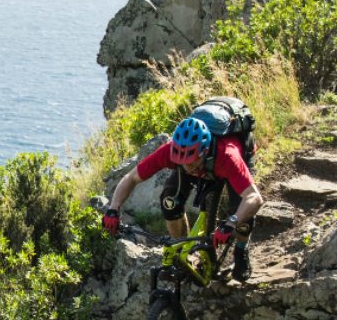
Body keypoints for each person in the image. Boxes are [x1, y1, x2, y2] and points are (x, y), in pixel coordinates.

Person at [102, 116, 264, 281]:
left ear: (204, 151)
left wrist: (232, 222)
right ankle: (181, 248)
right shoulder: (172, 152)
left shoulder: (228, 156)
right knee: (169, 202)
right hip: (204, 165)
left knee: (243, 215)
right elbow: (131, 178)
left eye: (191, 161)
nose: (187, 166)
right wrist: (113, 208)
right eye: (182, 161)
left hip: (230, 162)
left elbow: (254, 198)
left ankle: (241, 251)